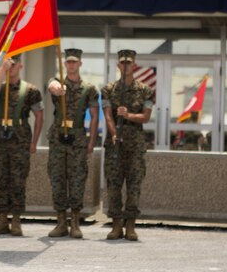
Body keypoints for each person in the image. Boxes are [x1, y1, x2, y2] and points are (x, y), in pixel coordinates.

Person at [0, 54, 43, 236]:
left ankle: (16, 219)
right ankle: (2, 219)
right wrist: (1, 69)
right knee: (0, 179)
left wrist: (34, 142)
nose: (11, 67)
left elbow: (39, 116)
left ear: (21, 66)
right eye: (9, 63)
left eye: (14, 64)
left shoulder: (30, 90)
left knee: (18, 180)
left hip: (20, 139)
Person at [46, 48, 99, 239]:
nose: (71, 65)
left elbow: (94, 117)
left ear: (80, 64)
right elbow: (50, 84)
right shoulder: (58, 82)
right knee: (57, 178)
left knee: (77, 180)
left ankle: (75, 222)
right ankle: (61, 222)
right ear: (64, 64)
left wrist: (91, 141)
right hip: (58, 136)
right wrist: (55, 87)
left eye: (74, 62)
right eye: (68, 62)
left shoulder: (89, 89)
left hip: (77, 137)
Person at [102, 49, 153, 241]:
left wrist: (128, 115)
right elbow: (107, 114)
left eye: (129, 63)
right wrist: (114, 134)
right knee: (114, 185)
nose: (125, 66)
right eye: (122, 62)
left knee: (134, 185)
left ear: (134, 65)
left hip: (135, 145)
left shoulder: (145, 90)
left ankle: (130, 225)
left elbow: (146, 117)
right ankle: (116, 225)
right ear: (118, 65)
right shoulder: (108, 89)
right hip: (115, 145)